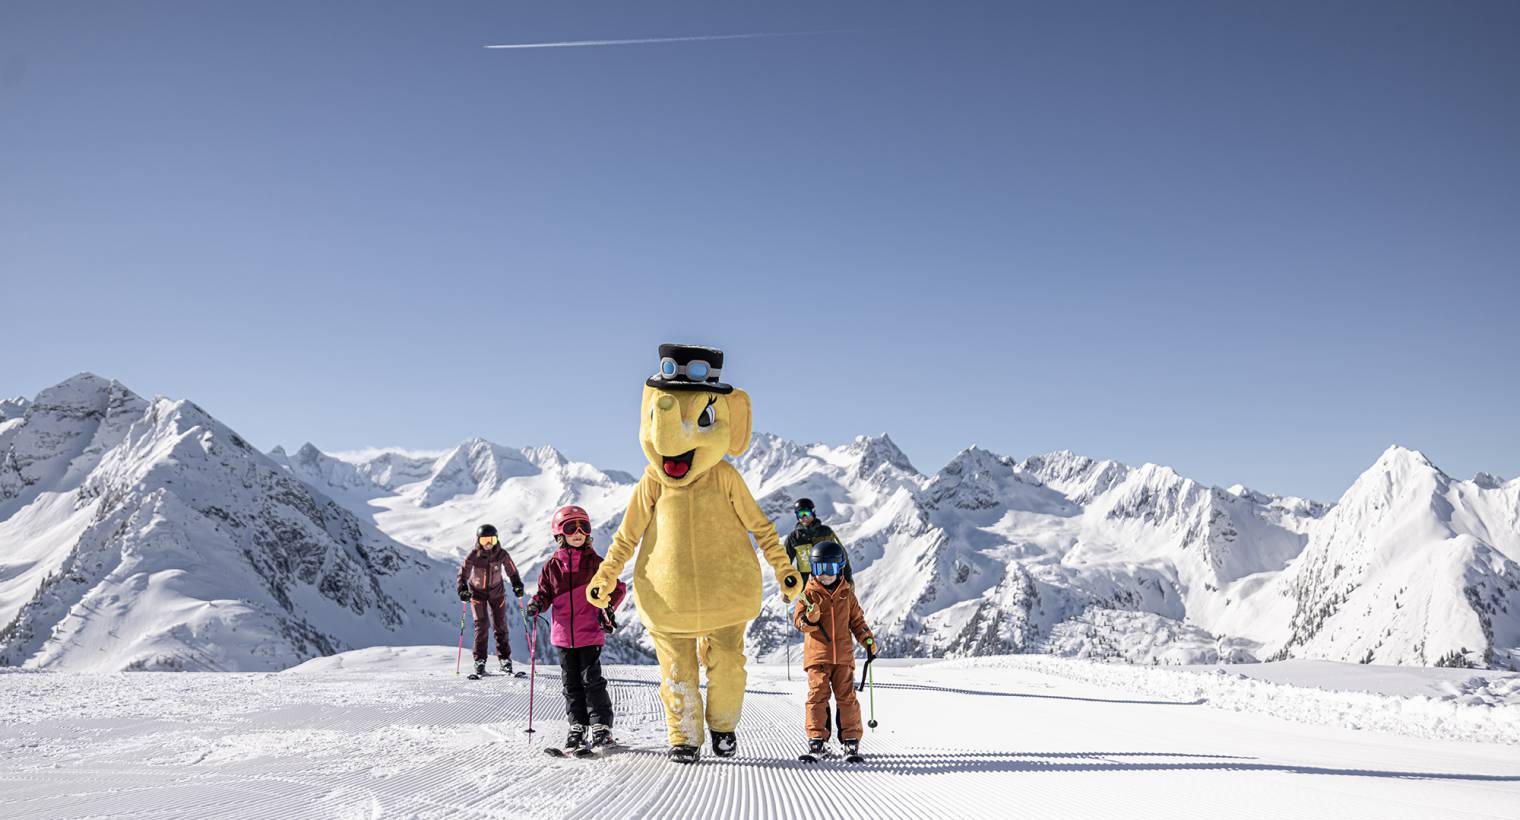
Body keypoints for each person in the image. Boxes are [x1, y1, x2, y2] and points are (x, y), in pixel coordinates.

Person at [525, 505, 627, 754]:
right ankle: (577, 727)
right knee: (571, 684)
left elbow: (618, 588)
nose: (579, 532)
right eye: (572, 528)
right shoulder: (552, 567)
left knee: (592, 681)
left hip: (589, 631)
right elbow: (545, 593)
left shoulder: (595, 564)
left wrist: (607, 607)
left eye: (584, 527)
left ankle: (601, 727)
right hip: (562, 636)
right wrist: (537, 603)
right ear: (560, 534)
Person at [792, 539, 877, 761]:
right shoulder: (809, 594)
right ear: (813, 568)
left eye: (830, 568)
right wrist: (809, 620)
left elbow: (857, 621)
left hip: (843, 657)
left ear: (839, 568)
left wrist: (866, 639)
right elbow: (798, 621)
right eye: (820, 568)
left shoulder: (846, 595)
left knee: (847, 697)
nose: (825, 574)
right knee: (817, 696)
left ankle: (851, 741)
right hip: (818, 657)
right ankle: (816, 740)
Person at [456, 523, 524, 677]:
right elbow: (463, 574)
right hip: (477, 594)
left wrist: (517, 584)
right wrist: (462, 588)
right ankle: (480, 660)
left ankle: (505, 660)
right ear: (478, 540)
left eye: (491, 540)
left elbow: (512, 571)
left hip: (496, 593)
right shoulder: (474, 555)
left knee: (500, 625)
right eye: (484, 540)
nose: (488, 544)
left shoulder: (501, 554)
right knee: (481, 625)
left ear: (496, 540)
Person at [784, 498, 853, 586]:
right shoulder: (794, 538)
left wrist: (848, 578)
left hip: (828, 577)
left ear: (813, 512)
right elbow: (784, 563)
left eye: (807, 513)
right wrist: (787, 585)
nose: (804, 517)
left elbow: (842, 555)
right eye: (801, 514)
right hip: (806, 582)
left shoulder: (826, 532)